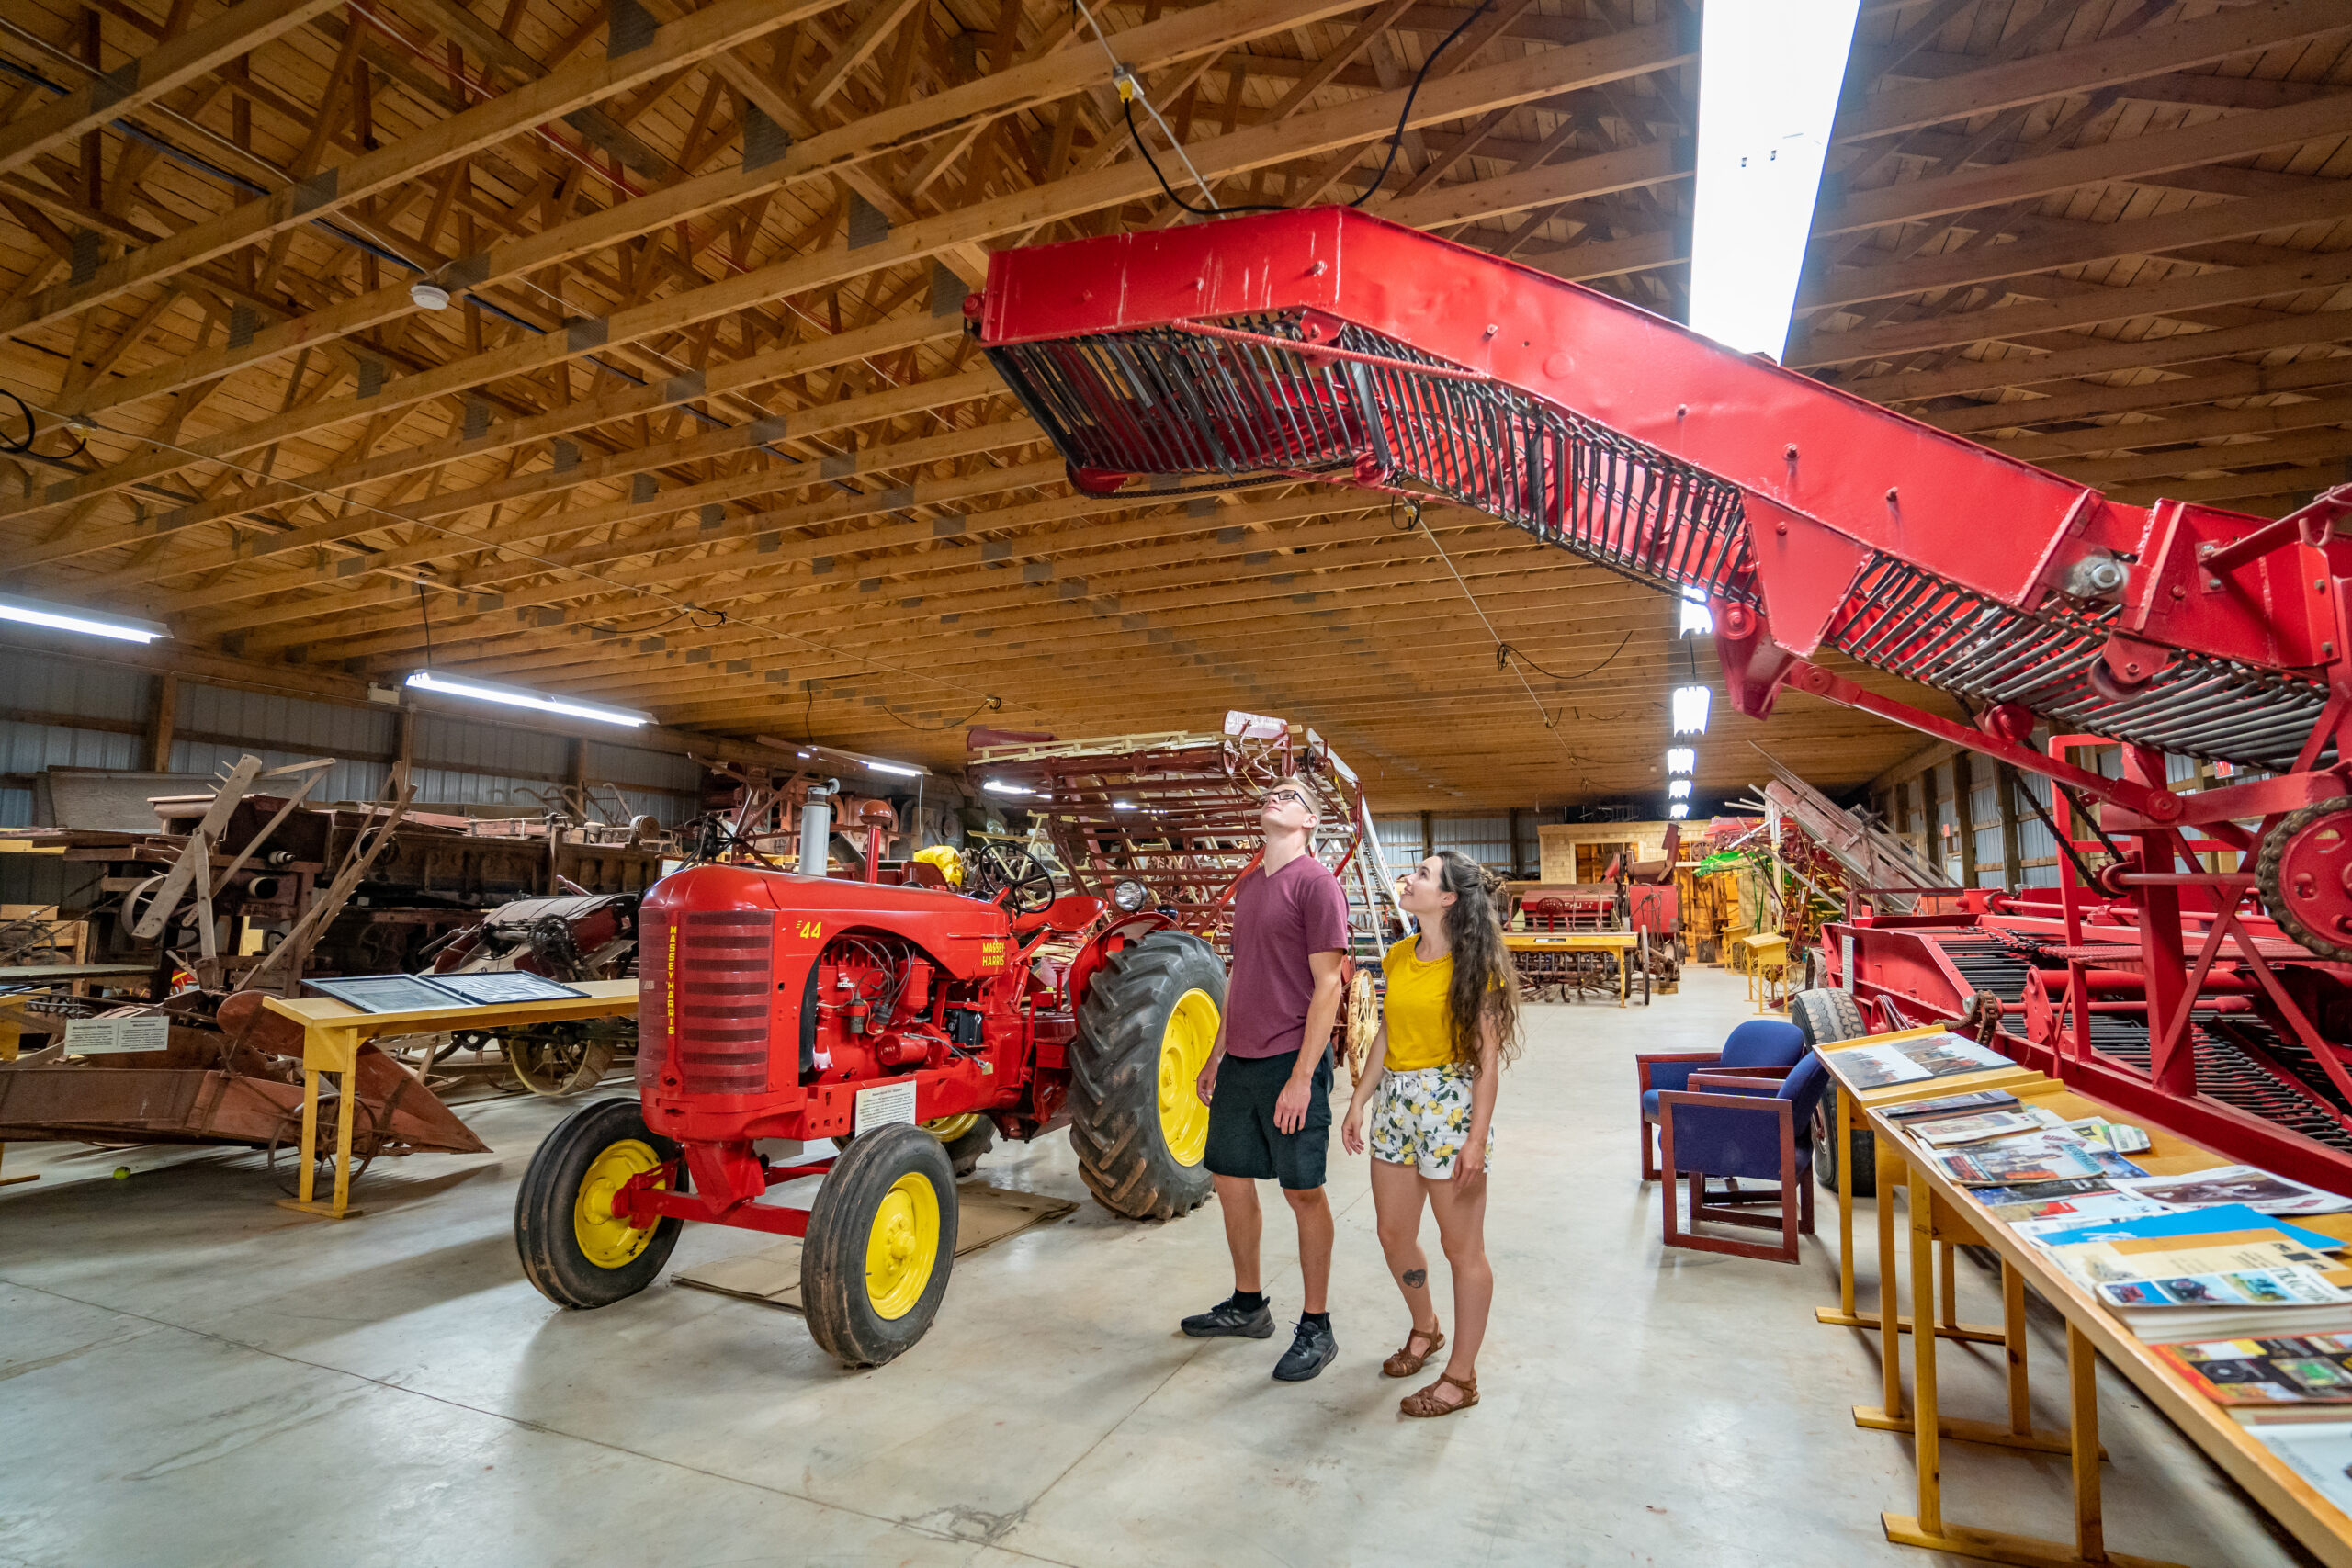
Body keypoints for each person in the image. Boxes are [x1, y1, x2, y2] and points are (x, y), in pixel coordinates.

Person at [1179, 778, 1351, 1382]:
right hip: (1241, 1062)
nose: (1273, 797)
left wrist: (1304, 1076)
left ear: (1308, 821)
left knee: (1302, 1190)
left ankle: (1317, 1324)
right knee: (1228, 1178)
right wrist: (1214, 1054)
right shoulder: (1250, 886)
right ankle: (1249, 1304)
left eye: (1288, 795)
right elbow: (1240, 974)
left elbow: (1329, 986)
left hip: (1290, 1060)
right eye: (1271, 793)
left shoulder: (1317, 884)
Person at [1340, 849, 1521, 1417]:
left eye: (1422, 874)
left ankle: (1461, 1377)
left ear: (1448, 898)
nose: (1408, 878)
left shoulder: (1475, 966)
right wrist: (1359, 1102)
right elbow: (1387, 1038)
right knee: (1394, 1233)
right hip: (1396, 1102)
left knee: (1461, 1249)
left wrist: (1475, 1137)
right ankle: (1426, 1328)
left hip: (1449, 1108)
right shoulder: (1396, 956)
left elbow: (1488, 1063)